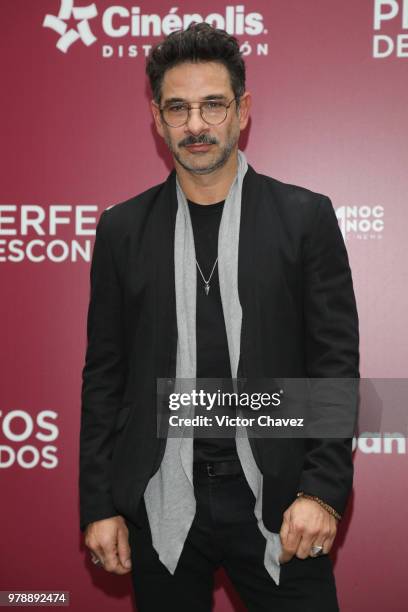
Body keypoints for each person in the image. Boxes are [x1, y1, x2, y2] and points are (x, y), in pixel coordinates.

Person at [79, 22, 359, 612]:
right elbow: (105, 376)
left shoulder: (304, 218)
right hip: (161, 500)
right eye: (178, 108)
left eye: (212, 104)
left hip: (282, 502)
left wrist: (323, 492)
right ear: (157, 118)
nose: (196, 125)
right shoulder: (122, 230)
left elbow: (334, 367)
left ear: (242, 110)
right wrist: (100, 504)